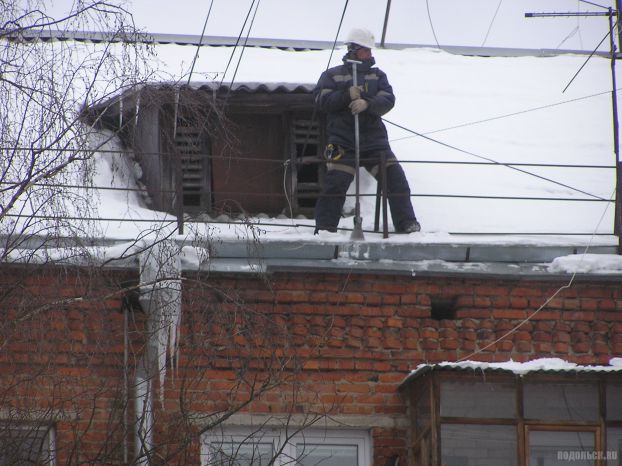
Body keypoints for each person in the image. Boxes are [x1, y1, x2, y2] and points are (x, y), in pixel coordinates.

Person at [313, 27, 421, 234]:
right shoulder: (331, 75)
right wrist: (346, 95)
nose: (370, 54)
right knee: (335, 185)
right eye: (366, 50)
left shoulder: (378, 76)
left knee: (396, 180)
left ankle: (407, 224)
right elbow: (322, 101)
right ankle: (325, 229)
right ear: (354, 49)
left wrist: (367, 104)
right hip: (342, 140)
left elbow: (388, 100)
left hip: (374, 142)